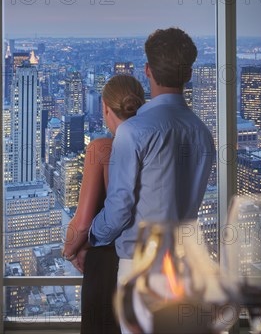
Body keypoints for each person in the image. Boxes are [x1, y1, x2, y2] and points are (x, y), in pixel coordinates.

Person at [88, 28, 216, 333]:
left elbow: (120, 209)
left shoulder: (133, 132)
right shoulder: (203, 134)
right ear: (188, 73)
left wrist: (93, 233)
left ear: (148, 71)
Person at [62, 74, 146, 334]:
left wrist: (70, 251)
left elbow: (83, 221)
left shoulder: (101, 149)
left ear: (105, 108)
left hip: (105, 265)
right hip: (145, 263)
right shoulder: (154, 146)